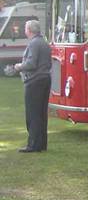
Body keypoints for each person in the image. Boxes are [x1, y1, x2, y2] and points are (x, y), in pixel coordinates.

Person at [13, 19, 52, 153]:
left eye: (25, 28)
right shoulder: (44, 43)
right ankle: (41, 143)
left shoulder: (34, 44)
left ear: (29, 30)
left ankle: (33, 144)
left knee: (33, 113)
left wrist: (19, 66)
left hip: (34, 81)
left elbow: (31, 64)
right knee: (41, 113)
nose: (24, 30)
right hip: (45, 79)